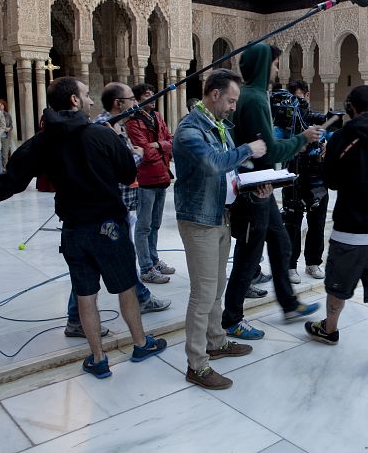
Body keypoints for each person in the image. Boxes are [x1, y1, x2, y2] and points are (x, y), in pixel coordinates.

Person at [0, 77, 167, 378]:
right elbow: (127, 174)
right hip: (109, 226)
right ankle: (140, 343)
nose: (89, 101)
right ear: (74, 100)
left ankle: (98, 359)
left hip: (73, 229)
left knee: (86, 294)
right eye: (86, 95)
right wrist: (119, 145)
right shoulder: (101, 134)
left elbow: (12, 180)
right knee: (125, 288)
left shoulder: (43, 141)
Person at [173, 68, 267, 390]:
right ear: (214, 95)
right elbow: (213, 162)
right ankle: (196, 364)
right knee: (202, 294)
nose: (232, 107)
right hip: (199, 221)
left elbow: (226, 173)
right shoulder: (190, 129)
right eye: (230, 100)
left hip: (219, 216)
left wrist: (252, 185)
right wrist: (247, 150)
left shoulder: (218, 126)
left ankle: (216, 341)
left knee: (216, 288)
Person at [221, 43, 322, 341]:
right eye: (275, 64)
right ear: (264, 65)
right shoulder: (252, 98)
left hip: (262, 187)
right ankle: (232, 319)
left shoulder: (255, 96)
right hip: (256, 191)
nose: (278, 70)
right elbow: (267, 149)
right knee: (249, 256)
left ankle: (289, 304)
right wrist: (302, 139)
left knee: (280, 244)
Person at [304, 85, 368, 375]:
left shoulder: (340, 139)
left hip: (348, 230)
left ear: (351, 106)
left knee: (338, 285)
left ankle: (330, 328)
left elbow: (331, 182)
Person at [64, 82, 171, 339]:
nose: (135, 103)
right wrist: (136, 155)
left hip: (117, 205)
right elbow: (116, 168)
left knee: (108, 262)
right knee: (98, 266)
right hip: (107, 208)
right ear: (118, 103)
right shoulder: (103, 128)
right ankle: (79, 318)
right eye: (131, 99)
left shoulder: (114, 126)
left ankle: (137, 298)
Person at [127, 83, 177, 280]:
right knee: (144, 225)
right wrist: (161, 147)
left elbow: (170, 139)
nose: (152, 97)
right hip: (147, 179)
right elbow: (145, 153)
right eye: (147, 95)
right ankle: (146, 268)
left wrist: (159, 144)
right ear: (138, 100)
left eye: (152, 93)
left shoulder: (157, 116)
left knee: (155, 224)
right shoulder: (133, 123)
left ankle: (154, 259)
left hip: (162, 176)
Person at [280, 80, 329, 284]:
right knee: (292, 223)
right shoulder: (285, 123)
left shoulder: (317, 118)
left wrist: (326, 146)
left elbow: (329, 137)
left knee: (317, 222)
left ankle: (313, 262)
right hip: (294, 175)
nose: (297, 105)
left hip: (317, 176)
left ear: (307, 95)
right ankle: (291, 266)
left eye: (299, 98)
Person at [0, 99, 13, 171]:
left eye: (1, 105)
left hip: (5, 136)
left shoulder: (7, 115)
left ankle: (5, 169)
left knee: (5, 154)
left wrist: (9, 128)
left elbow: (11, 125)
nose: (0, 106)